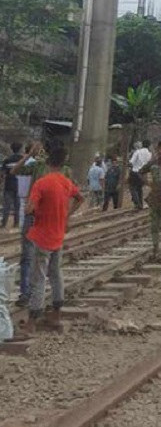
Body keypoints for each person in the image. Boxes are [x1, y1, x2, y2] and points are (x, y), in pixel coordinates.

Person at [24, 147, 84, 331]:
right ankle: (56, 315)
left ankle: (33, 320)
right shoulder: (66, 182)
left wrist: (31, 209)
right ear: (62, 163)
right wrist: (67, 216)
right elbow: (80, 198)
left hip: (41, 236)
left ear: (48, 163)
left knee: (38, 278)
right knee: (56, 275)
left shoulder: (41, 183)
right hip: (58, 235)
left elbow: (29, 209)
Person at [1, 142, 22, 228]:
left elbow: (2, 173)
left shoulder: (7, 160)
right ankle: (16, 223)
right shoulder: (23, 159)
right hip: (19, 185)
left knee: (7, 205)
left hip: (9, 184)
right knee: (18, 205)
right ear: (20, 149)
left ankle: (4, 223)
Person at [129, 140, 152, 210]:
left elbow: (131, 162)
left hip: (135, 171)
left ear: (142, 144)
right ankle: (141, 204)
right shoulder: (149, 154)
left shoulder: (138, 152)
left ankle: (137, 204)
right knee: (139, 188)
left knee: (133, 188)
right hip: (143, 173)